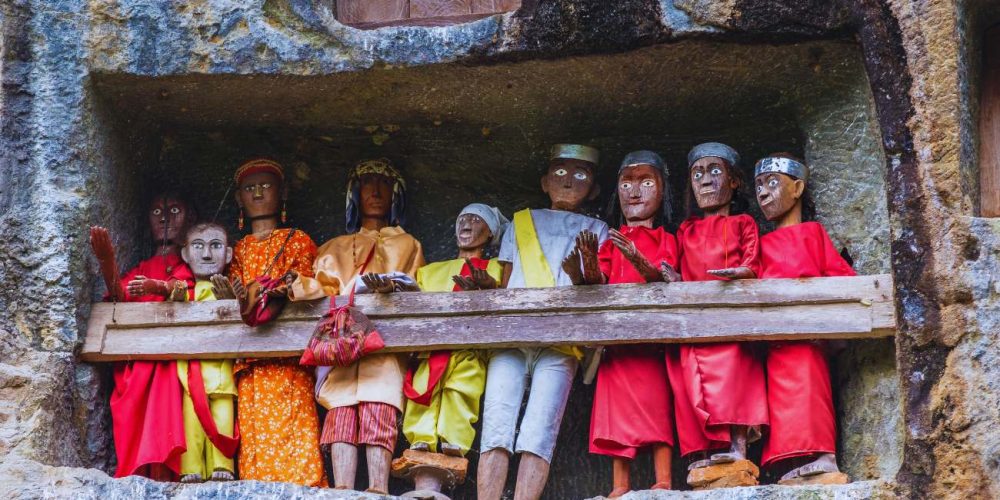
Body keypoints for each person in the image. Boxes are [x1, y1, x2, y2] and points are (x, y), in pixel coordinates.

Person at [478, 144, 609, 500]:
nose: (568, 182)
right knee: (497, 423)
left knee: (541, 429)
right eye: (560, 172)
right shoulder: (520, 221)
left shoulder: (598, 229)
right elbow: (505, 280)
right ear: (544, 181)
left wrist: (584, 269)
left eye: (581, 175)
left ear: (594, 189)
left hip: (562, 339)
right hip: (512, 332)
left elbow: (598, 288)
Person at [288, 158, 424, 494]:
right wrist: (294, 285)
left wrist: (394, 290)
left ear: (396, 195)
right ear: (354, 194)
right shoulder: (333, 248)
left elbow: (419, 288)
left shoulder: (409, 244)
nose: (375, 191)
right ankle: (343, 489)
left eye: (384, 184)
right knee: (341, 410)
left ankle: (378, 488)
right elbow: (323, 287)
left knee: (380, 406)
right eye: (367, 184)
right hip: (342, 341)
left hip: (385, 343)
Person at [665, 142, 768, 479]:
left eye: (714, 171)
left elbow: (753, 262)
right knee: (692, 383)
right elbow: (680, 269)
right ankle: (709, 450)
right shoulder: (686, 230)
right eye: (697, 174)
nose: (705, 180)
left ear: (734, 181)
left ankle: (738, 447)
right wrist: (674, 278)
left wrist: (741, 272)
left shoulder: (743, 222)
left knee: (735, 378)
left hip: (731, 317)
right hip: (695, 322)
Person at [754, 153, 853, 485]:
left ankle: (825, 457)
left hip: (808, 338)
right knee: (782, 405)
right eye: (758, 185)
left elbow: (842, 277)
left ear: (797, 189)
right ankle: (799, 462)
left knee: (811, 395)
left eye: (772, 183)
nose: (763, 193)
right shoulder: (761, 245)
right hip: (777, 342)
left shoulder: (812, 233)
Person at [584, 151, 678, 496]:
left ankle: (663, 480)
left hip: (651, 342)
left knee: (658, 409)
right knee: (615, 414)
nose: (634, 192)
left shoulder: (667, 238)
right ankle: (619, 485)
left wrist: (636, 257)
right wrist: (584, 267)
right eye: (626, 184)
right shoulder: (611, 241)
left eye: (646, 183)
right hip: (616, 343)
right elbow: (600, 278)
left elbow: (665, 277)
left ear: (663, 190)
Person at [226, 159, 325, 486]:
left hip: (289, 358)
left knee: (296, 429)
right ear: (239, 198)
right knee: (254, 435)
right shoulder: (238, 249)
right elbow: (234, 294)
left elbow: (309, 282)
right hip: (251, 360)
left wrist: (285, 287)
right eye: (249, 188)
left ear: (282, 193)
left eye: (265, 185)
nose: (257, 193)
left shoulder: (298, 240)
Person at [90, 193, 196, 480]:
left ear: (191, 218)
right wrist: (107, 261)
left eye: (175, 210)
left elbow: (187, 292)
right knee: (130, 416)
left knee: (167, 404)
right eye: (157, 212)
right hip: (134, 362)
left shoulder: (190, 266)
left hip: (167, 360)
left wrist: (159, 287)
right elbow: (119, 295)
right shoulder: (141, 268)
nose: (165, 218)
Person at [176, 222, 239, 483]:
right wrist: (176, 301)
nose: (206, 254)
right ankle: (191, 467)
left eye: (215, 246)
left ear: (229, 254)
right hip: (191, 374)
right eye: (197, 246)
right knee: (190, 422)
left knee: (223, 419)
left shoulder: (232, 288)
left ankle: (223, 466)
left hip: (222, 373)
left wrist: (231, 303)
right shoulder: (184, 290)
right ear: (185, 254)